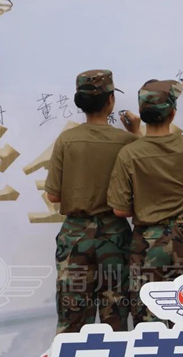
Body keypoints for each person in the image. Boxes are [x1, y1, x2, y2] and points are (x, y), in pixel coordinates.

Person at [107, 75, 183, 325]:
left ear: (141, 113)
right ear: (173, 113)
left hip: (147, 243)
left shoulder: (129, 154)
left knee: (148, 318)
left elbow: (120, 210)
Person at [45, 69, 141, 334]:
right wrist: (136, 132)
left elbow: (53, 195)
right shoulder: (126, 141)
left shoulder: (67, 140)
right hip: (114, 235)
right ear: (110, 100)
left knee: (72, 319)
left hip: (75, 237)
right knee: (116, 315)